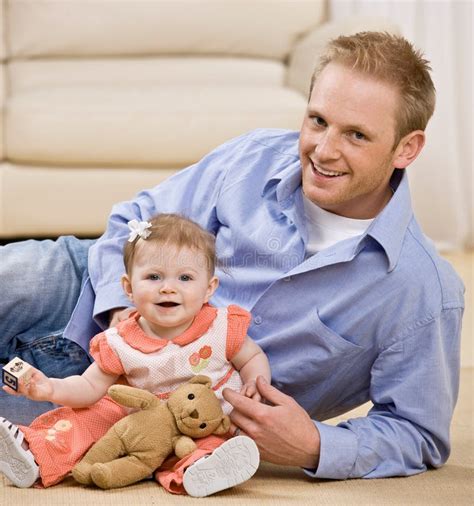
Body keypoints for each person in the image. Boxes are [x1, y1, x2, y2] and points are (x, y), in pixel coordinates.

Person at [0, 31, 465, 487]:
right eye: (318, 121)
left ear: (407, 148)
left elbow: (418, 432)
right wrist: (122, 311)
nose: (323, 151)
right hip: (92, 291)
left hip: (131, 402)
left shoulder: (422, 290)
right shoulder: (253, 157)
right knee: (15, 276)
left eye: (357, 135)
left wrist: (315, 445)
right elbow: (135, 219)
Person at [0, 214, 269, 495]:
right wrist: (51, 388)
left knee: (208, 443)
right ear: (128, 288)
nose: (168, 287)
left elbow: (252, 357)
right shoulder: (120, 340)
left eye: (185, 278)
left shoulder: (220, 326)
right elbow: (89, 386)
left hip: (199, 424)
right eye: (153, 276)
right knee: (85, 418)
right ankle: (34, 453)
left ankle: (201, 469)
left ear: (208, 289)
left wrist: (255, 381)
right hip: (138, 425)